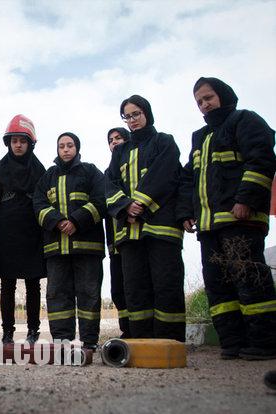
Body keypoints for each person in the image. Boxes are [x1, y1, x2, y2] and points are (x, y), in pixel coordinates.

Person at [177, 77, 276, 360]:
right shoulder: (200, 137)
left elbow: (262, 161)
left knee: (250, 281)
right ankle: (232, 343)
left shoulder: (245, 121)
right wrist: (186, 212)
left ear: (223, 95)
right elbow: (189, 178)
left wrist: (245, 199)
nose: (204, 104)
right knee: (218, 287)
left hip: (240, 221)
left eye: (208, 98)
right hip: (209, 227)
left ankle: (265, 342)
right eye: (199, 102)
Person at [105, 95, 186, 342]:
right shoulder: (120, 152)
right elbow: (108, 183)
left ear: (147, 113)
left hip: (162, 229)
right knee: (136, 289)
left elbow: (166, 174)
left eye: (136, 114)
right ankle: (141, 341)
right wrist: (125, 205)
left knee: (166, 284)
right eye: (127, 116)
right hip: (129, 233)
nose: (132, 120)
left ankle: (169, 342)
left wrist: (140, 201)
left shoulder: (165, 142)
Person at [33, 132, 106, 350]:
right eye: (61, 146)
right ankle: (61, 342)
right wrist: (57, 222)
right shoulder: (47, 177)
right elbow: (38, 204)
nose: (65, 149)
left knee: (89, 295)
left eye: (70, 145)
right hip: (56, 250)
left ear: (77, 148)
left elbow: (101, 199)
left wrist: (76, 220)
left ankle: (89, 342)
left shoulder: (91, 172)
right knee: (57, 296)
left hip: (87, 249)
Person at [0, 115, 46, 345]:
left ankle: (33, 331)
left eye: (22, 140)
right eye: (14, 141)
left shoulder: (41, 170)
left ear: (30, 143)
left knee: (33, 283)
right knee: (7, 284)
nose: (18, 145)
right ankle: (7, 333)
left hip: (33, 231)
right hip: (7, 231)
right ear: (9, 143)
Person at [105, 127, 131, 338]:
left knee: (136, 286)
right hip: (115, 244)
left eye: (119, 138)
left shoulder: (133, 168)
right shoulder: (107, 176)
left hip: (135, 238)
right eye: (111, 140)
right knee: (119, 289)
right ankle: (126, 330)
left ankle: (143, 330)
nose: (115, 142)